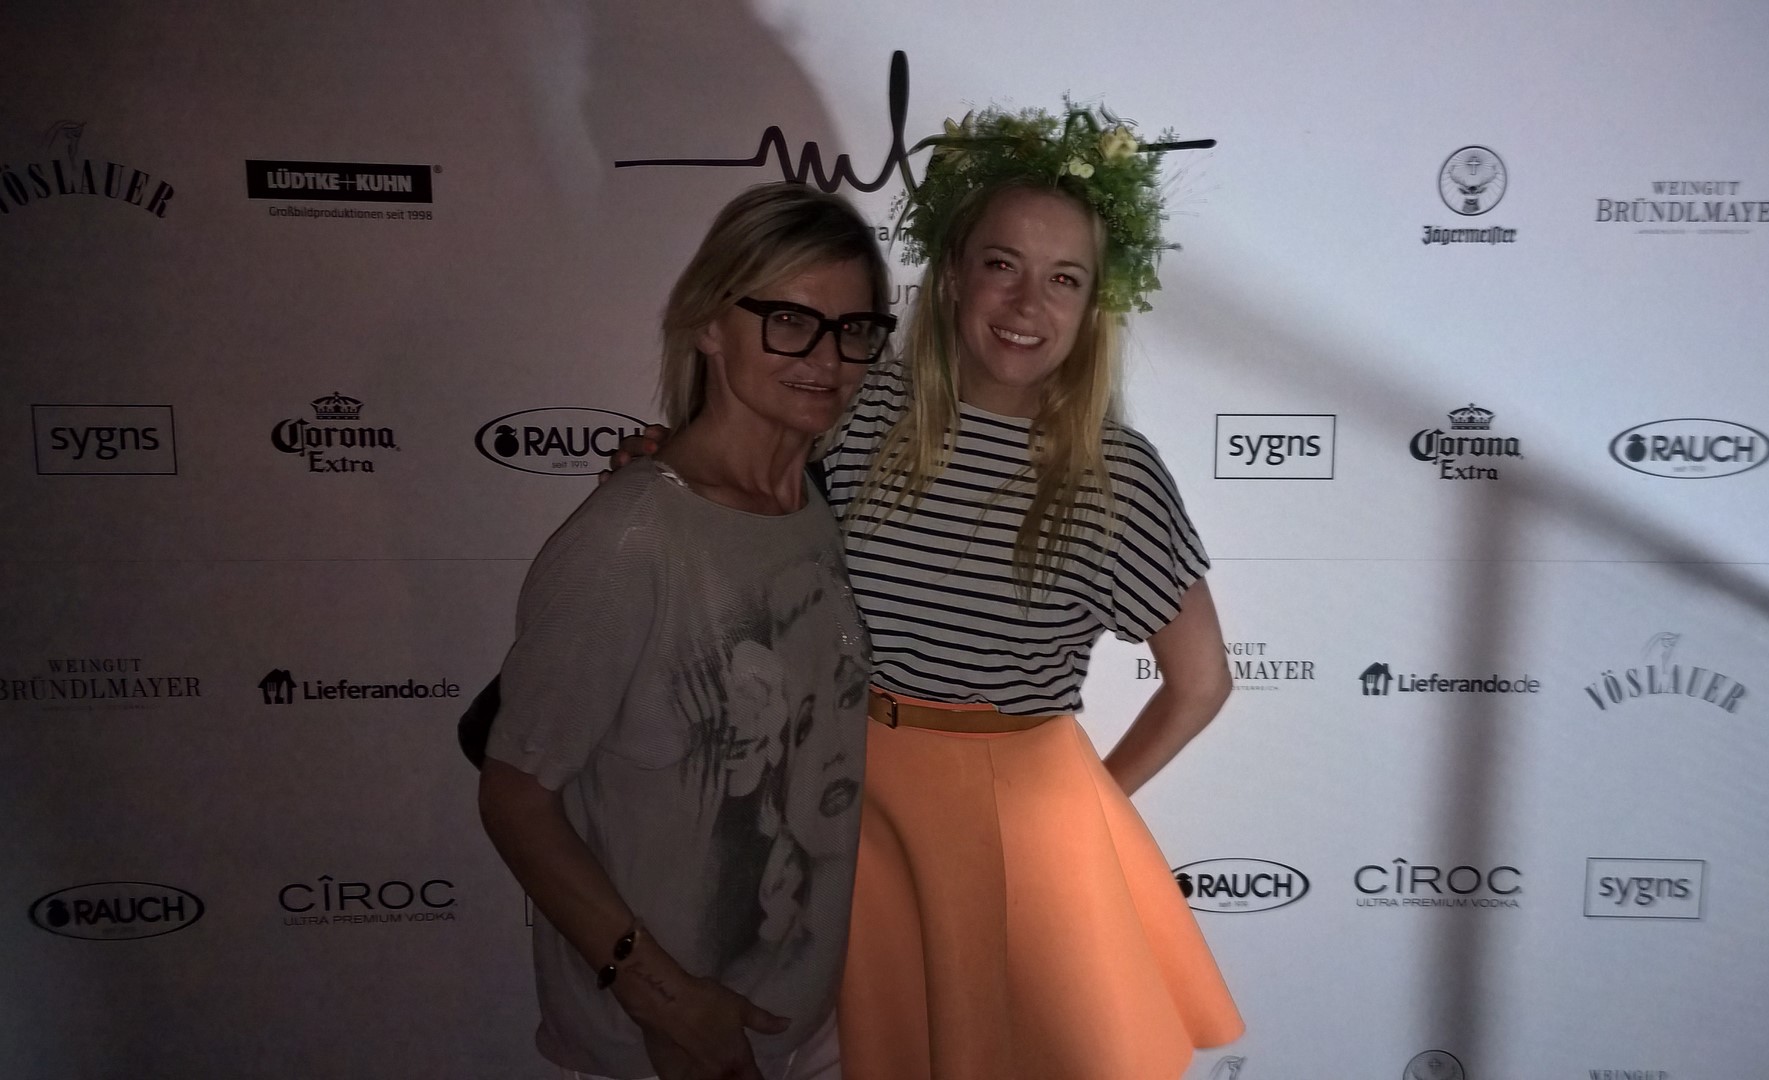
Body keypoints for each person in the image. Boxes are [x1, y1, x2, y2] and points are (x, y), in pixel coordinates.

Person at [616, 103, 1243, 1079]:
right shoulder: (861, 410)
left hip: (1013, 812)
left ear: (1093, 307)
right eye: (1003, 264)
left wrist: (1092, 811)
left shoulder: (1114, 475)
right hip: (840, 790)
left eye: (1064, 278)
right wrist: (667, 474)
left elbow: (1200, 681)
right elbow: (753, 509)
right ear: (952, 275)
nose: (1028, 302)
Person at [478, 182, 893, 1080]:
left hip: (816, 1022)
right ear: (709, 323)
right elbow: (515, 798)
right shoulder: (632, 537)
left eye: (854, 329)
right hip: (665, 1047)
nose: (828, 358)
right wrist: (668, 1004)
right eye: (791, 321)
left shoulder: (821, 506)